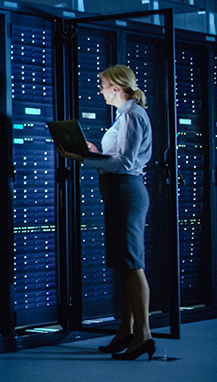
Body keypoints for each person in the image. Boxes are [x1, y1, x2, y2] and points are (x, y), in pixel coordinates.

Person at [56, 64, 155, 361]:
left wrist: (81, 158)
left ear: (115, 87)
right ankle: (126, 331)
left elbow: (125, 164)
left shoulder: (133, 115)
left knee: (132, 264)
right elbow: (119, 156)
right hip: (119, 190)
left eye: (102, 86)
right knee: (125, 266)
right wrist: (95, 151)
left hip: (126, 190)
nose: (100, 91)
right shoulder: (124, 116)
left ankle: (144, 336)